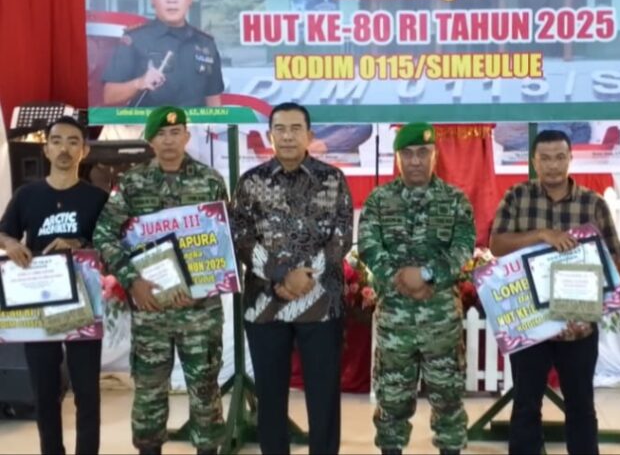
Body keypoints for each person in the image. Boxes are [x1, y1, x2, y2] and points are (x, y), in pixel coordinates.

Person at [92, 106, 227, 455]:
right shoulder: (133, 183)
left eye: (175, 132)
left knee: (205, 390)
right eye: (161, 134)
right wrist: (131, 280)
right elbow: (104, 234)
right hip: (151, 308)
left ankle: (208, 449)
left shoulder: (210, 181)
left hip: (199, 310)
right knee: (150, 391)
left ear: (187, 135)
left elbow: (221, 241)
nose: (169, 140)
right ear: (150, 140)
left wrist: (200, 286)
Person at [489, 129, 620, 455]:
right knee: (525, 405)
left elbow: (613, 261)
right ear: (534, 161)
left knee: (580, 406)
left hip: (578, 325)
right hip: (530, 322)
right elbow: (496, 245)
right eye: (545, 158)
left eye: (559, 157)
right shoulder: (517, 197)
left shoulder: (593, 204)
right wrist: (541, 235)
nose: (552, 165)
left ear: (570, 158)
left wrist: (591, 308)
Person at [230, 102, 353, 455]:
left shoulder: (332, 180)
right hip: (265, 304)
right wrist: (281, 277)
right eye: (279, 129)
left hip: (321, 305)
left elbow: (341, 236)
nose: (287, 136)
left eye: (295, 128)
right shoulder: (250, 183)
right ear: (270, 136)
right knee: (270, 398)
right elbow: (242, 238)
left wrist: (305, 277)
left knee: (323, 397)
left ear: (309, 136)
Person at [358, 122, 476, 455]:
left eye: (423, 153)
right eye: (407, 153)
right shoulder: (379, 200)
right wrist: (400, 278)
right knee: (391, 399)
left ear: (434, 154)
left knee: (448, 398)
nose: (415, 161)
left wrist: (426, 275)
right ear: (397, 158)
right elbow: (369, 245)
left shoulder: (455, 200)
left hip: (441, 322)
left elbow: (463, 248)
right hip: (395, 322)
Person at [0, 116, 108, 455]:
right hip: (39, 306)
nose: (65, 148)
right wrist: (11, 245)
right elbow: (4, 232)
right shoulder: (27, 195)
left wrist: (79, 245)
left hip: (83, 305)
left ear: (84, 150)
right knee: (45, 393)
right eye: (57, 141)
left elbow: (110, 245)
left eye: (73, 141)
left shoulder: (97, 198)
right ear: (46, 149)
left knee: (87, 394)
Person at [102, 0, 224, 108]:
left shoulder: (206, 43)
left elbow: (213, 101)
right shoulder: (135, 40)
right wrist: (139, 83)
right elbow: (109, 95)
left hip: (194, 131)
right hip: (147, 130)